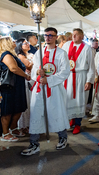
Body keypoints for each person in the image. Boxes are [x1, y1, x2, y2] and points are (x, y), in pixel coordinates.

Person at [21, 27, 71, 156]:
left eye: (51, 35)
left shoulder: (61, 53)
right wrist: (38, 72)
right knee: (37, 113)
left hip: (54, 89)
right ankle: (34, 143)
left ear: (55, 37)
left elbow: (65, 72)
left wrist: (49, 80)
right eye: (46, 35)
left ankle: (62, 137)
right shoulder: (39, 53)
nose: (48, 37)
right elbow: (34, 70)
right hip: (39, 89)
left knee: (56, 112)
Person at [62, 28, 95, 134]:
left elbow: (91, 66)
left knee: (79, 100)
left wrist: (89, 81)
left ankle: (78, 123)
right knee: (68, 99)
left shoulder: (87, 48)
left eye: (76, 35)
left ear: (81, 36)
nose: (74, 36)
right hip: (68, 76)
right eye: (73, 34)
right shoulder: (67, 45)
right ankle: (71, 119)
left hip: (81, 76)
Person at [0, 37, 30, 142]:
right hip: (10, 87)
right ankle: (5, 133)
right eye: (12, 41)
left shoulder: (11, 54)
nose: (14, 42)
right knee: (8, 110)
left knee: (18, 108)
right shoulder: (6, 55)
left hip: (16, 86)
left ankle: (13, 128)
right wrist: (26, 76)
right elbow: (13, 68)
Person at [15, 39, 34, 136]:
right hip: (26, 81)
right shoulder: (20, 56)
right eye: (25, 43)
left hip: (32, 80)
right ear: (20, 46)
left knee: (31, 103)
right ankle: (23, 126)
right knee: (27, 103)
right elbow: (29, 66)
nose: (28, 44)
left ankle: (28, 125)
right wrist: (36, 61)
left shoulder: (29, 54)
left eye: (28, 43)